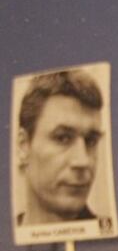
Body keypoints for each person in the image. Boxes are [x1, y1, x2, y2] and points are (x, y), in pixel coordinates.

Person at [15, 69, 106, 227]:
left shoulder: (116, 250)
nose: (83, 161)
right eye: (62, 138)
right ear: (24, 145)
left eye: (91, 141)